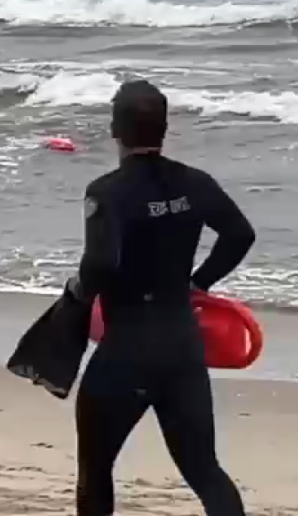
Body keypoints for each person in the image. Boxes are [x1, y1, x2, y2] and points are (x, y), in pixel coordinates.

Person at [66, 79, 255, 516]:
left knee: (95, 470)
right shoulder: (196, 183)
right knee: (204, 469)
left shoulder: (107, 191)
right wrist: (199, 282)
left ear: (115, 130)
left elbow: (99, 264)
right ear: (164, 129)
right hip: (181, 347)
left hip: (127, 349)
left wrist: (78, 292)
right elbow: (240, 234)